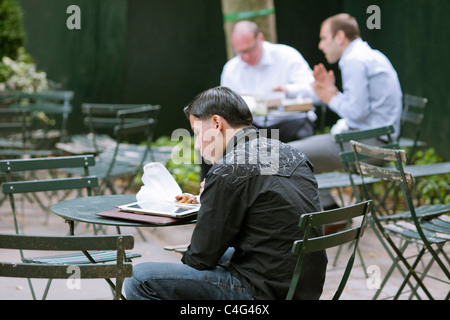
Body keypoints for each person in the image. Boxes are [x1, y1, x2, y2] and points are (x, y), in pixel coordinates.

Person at [125, 86, 327, 300]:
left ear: (216, 123)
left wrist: (213, 198)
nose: (198, 145)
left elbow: (199, 258)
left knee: (139, 279)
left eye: (197, 133)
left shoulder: (228, 169)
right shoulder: (292, 153)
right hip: (304, 286)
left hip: (263, 293)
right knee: (222, 255)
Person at [289, 13, 403, 210]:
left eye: (324, 38)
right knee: (297, 154)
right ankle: (330, 209)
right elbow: (361, 108)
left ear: (340, 37)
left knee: (287, 155)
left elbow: (356, 112)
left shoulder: (354, 60)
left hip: (368, 146)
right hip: (377, 140)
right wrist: (332, 93)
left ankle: (327, 213)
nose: (320, 46)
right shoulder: (368, 55)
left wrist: (330, 96)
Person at [221, 20, 318, 143]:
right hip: (253, 126)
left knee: (301, 136)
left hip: (289, 121)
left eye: (250, 50)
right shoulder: (231, 68)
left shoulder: (287, 55)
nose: (246, 57)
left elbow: (314, 91)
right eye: (240, 52)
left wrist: (287, 90)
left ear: (260, 38)